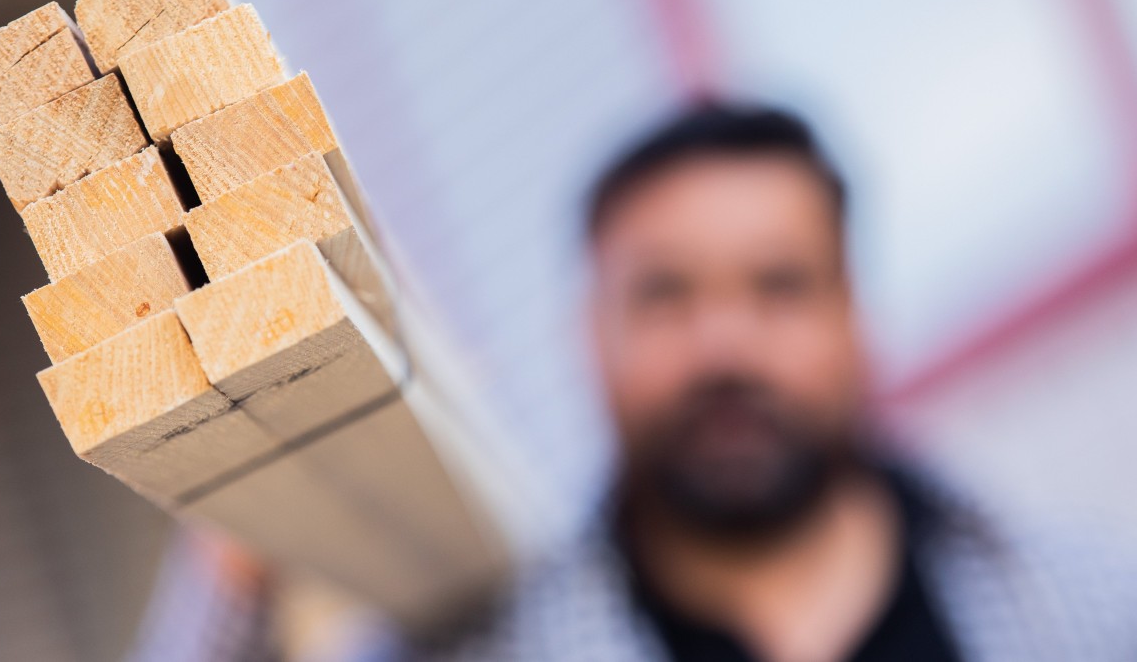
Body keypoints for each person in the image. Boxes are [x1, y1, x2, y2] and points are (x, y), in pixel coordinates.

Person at [133, 101, 1137, 662]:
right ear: (589, 334)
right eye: (664, 295)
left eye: (778, 287)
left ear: (855, 322)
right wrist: (249, 527)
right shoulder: (477, 646)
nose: (723, 347)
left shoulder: (1090, 612)